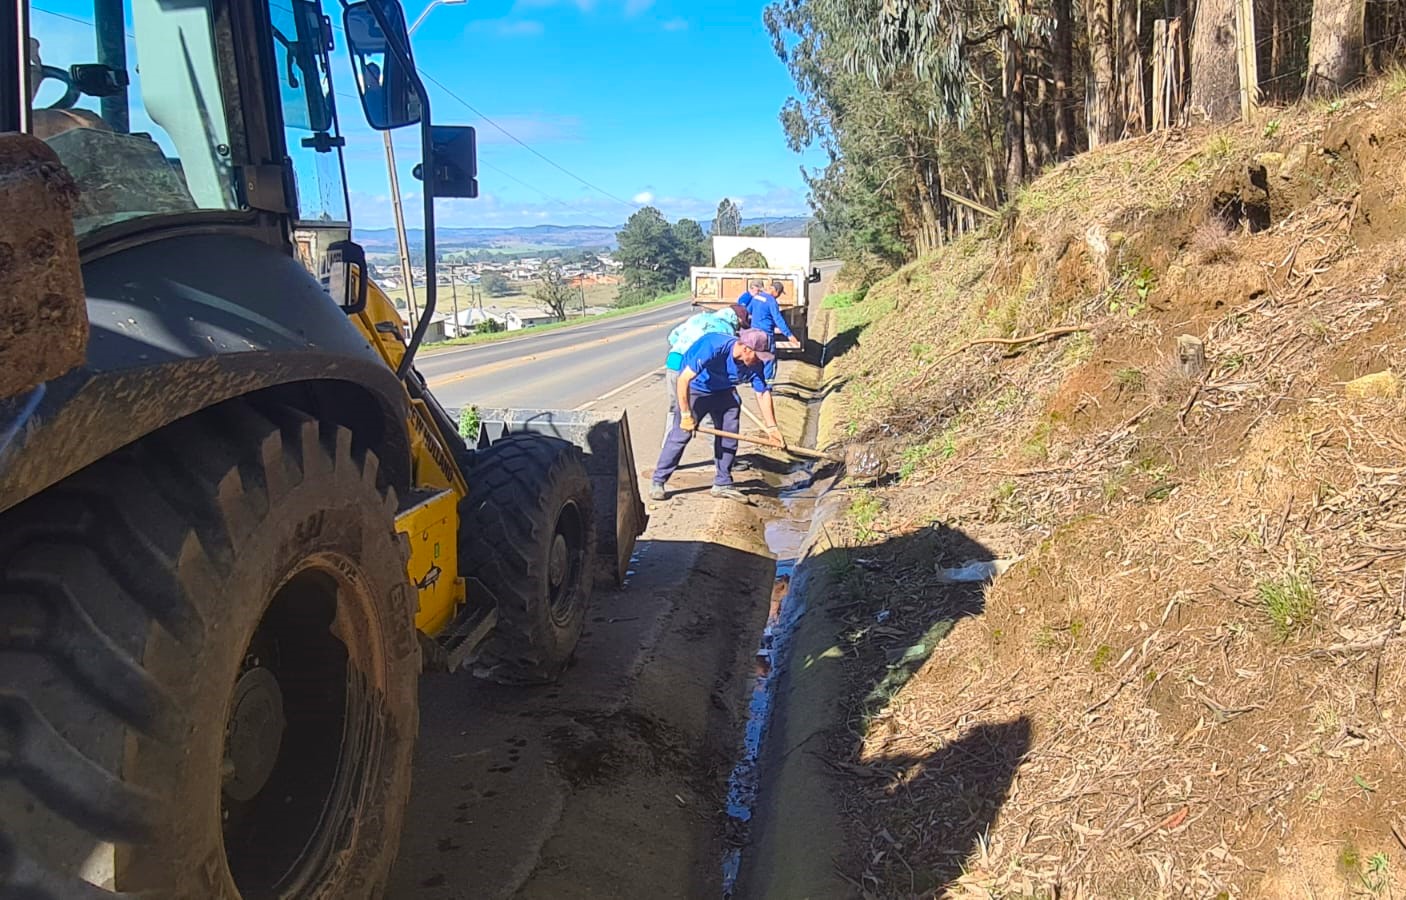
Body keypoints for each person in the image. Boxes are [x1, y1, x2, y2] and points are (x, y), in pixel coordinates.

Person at [651, 329, 785, 502]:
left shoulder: (755, 364)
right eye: (758, 356)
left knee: (730, 434)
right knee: (680, 435)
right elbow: (683, 380)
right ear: (746, 349)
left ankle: (723, 483)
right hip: (696, 388)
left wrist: (772, 428)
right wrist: (686, 414)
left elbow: (762, 393)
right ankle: (658, 481)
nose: (760, 360)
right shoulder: (714, 346)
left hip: (724, 391)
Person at [662, 303, 750, 439]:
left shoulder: (698, 318)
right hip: (694, 373)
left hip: (673, 363)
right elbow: (721, 362)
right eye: (740, 325)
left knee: (676, 409)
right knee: (709, 412)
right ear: (736, 319)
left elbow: (673, 337)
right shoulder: (725, 331)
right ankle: (719, 456)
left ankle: (668, 447)